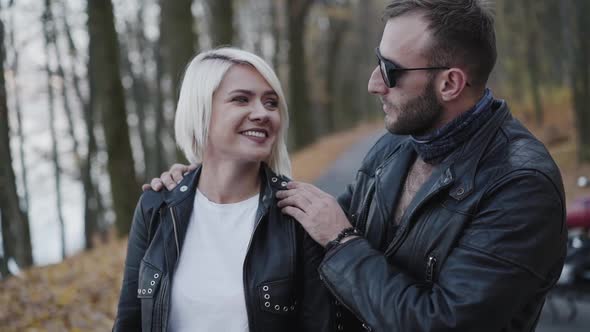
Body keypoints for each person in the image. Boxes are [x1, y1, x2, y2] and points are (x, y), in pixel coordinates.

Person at [149, 1, 567, 331]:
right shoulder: (396, 147)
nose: (373, 82)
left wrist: (343, 241)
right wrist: (209, 183)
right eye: (376, 61)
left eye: (390, 70)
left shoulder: (520, 186)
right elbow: (311, 230)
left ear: (450, 83)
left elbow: (441, 322)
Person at [113, 48, 332, 332]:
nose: (262, 114)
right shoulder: (156, 206)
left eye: (271, 103)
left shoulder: (299, 215)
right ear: (201, 110)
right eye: (241, 99)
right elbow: (129, 320)